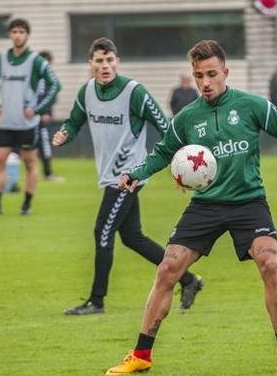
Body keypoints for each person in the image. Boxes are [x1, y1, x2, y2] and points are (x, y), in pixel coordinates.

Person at [105, 39, 277, 376]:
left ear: (225, 72)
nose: (205, 82)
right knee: (167, 270)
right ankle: (141, 354)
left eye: (211, 74)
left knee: (269, 262)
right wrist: (137, 174)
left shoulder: (252, 105)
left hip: (248, 202)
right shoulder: (187, 118)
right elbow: (163, 152)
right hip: (205, 206)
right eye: (198, 76)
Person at [52, 38, 204, 315]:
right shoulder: (86, 91)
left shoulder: (134, 92)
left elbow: (165, 126)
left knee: (103, 232)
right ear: (91, 65)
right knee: (132, 236)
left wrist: (180, 163)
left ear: (117, 62)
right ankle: (188, 278)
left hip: (128, 175)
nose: (105, 65)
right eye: (99, 61)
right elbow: (74, 121)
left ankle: (96, 301)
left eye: (110, 60)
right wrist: (65, 133)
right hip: (109, 175)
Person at [0, 18, 61, 216]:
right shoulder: (2, 58)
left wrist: (38, 109)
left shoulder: (35, 60)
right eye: (14, 31)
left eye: (21, 31)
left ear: (27, 35)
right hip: (5, 123)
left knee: (29, 162)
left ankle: (26, 205)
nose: (18, 35)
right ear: (9, 35)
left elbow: (55, 85)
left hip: (27, 124)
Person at [36, 50, 64, 182]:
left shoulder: (45, 77)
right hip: (33, 117)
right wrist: (44, 111)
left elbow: (53, 94)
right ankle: (47, 174)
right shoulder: (39, 77)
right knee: (41, 145)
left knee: (43, 145)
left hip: (37, 117)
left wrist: (47, 111)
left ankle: (47, 173)